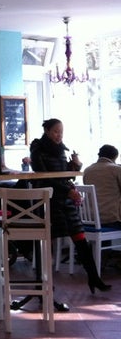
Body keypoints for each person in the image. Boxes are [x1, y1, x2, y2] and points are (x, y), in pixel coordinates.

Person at [30, 118, 111, 293]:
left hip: (65, 198)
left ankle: (94, 277)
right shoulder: (38, 149)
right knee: (48, 240)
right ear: (47, 131)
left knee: (80, 238)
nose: (59, 135)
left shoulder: (61, 149)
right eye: (55, 131)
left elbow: (64, 175)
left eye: (61, 132)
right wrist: (67, 190)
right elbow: (43, 177)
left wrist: (75, 165)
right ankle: (45, 285)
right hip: (48, 199)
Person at [83, 144, 121, 229]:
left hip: (89, 218)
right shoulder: (116, 169)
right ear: (115, 157)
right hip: (111, 220)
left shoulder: (87, 170)